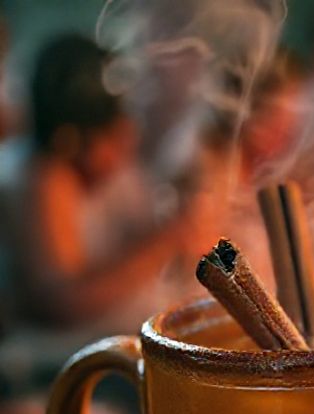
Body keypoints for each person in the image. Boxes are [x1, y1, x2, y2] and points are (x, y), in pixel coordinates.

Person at [9, 34, 214, 328]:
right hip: (57, 360)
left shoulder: (116, 170)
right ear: (68, 140)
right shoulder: (43, 178)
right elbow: (63, 303)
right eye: (112, 135)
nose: (127, 140)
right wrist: (169, 240)